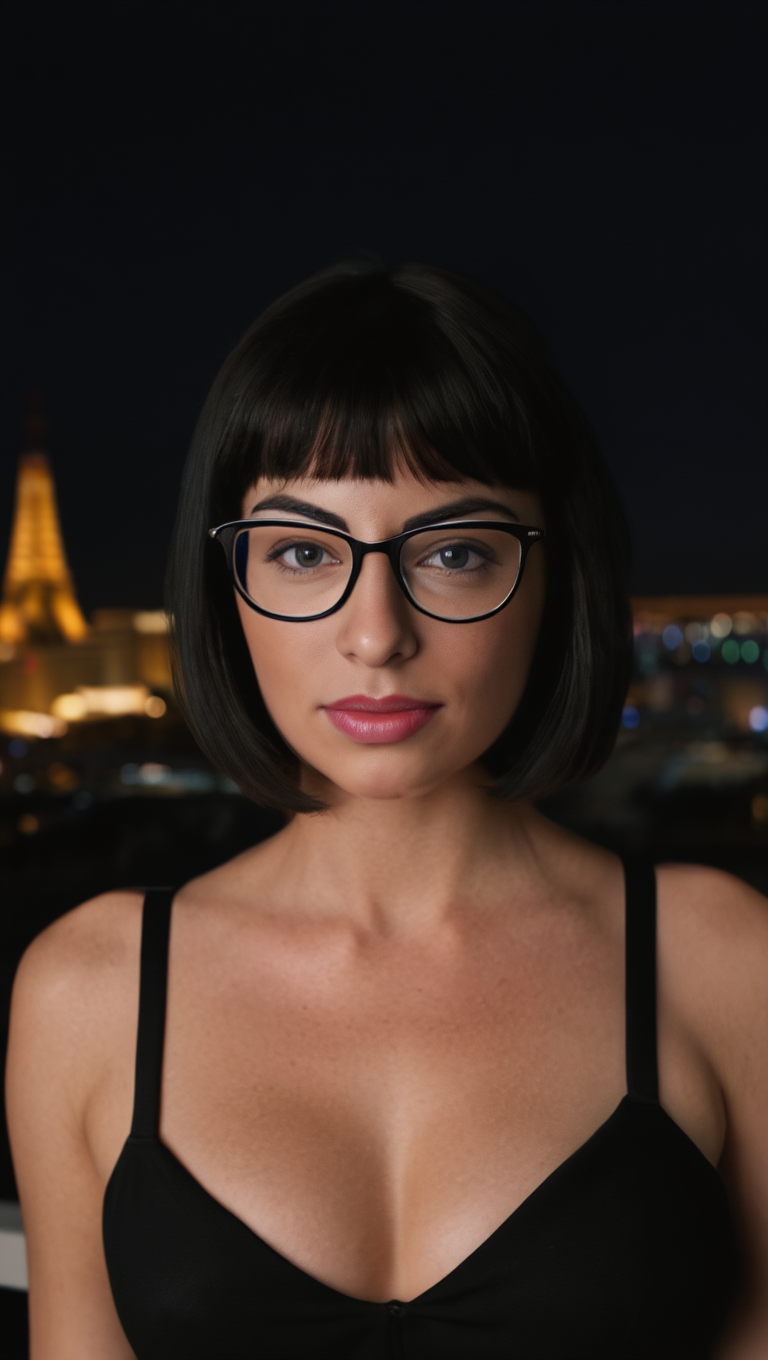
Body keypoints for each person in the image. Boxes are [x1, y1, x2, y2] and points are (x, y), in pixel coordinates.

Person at [6, 262, 767, 1359]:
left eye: (454, 552)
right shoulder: (89, 993)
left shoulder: (722, 965)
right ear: (227, 585)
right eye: (305, 551)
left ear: (556, 576)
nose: (376, 633)